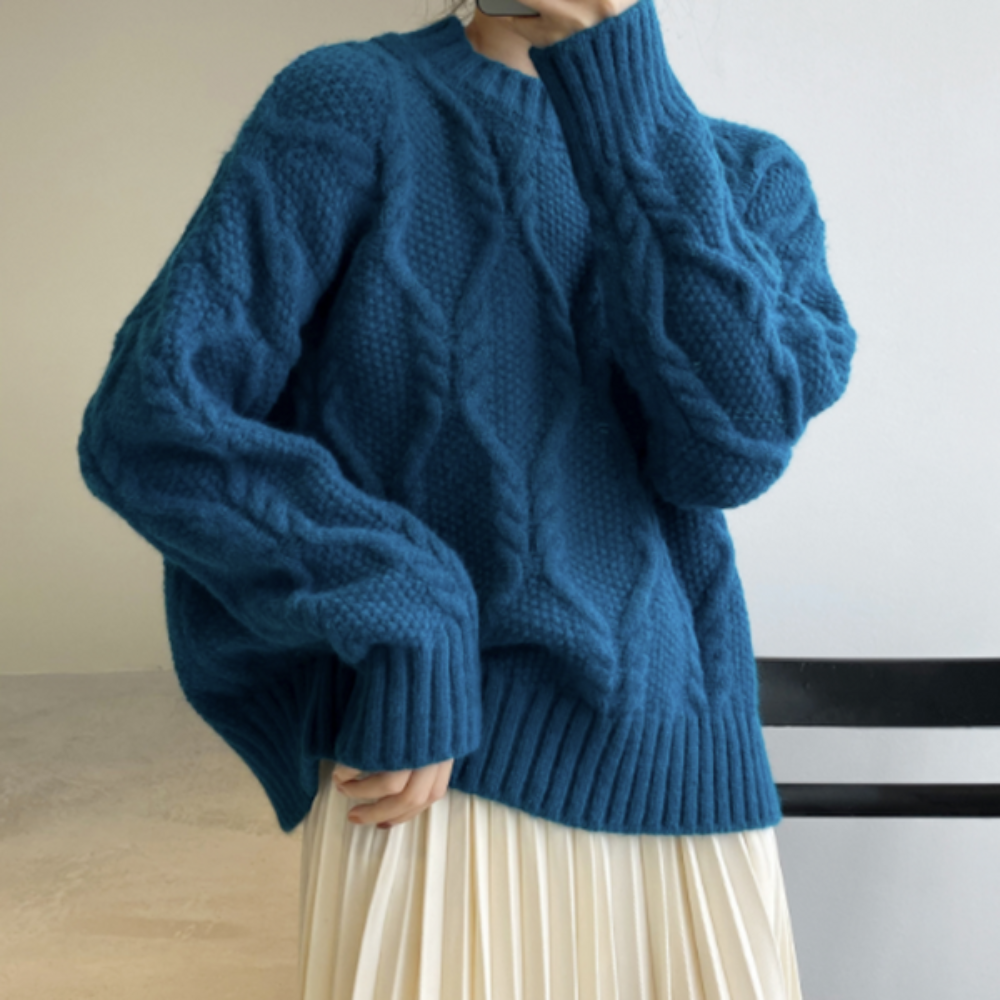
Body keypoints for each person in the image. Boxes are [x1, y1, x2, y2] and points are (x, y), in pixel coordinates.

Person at [77, 0, 857, 996]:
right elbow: (151, 422)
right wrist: (401, 597)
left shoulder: (747, 174)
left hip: (688, 792)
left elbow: (728, 454)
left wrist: (619, 80)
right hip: (441, 782)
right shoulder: (353, 102)